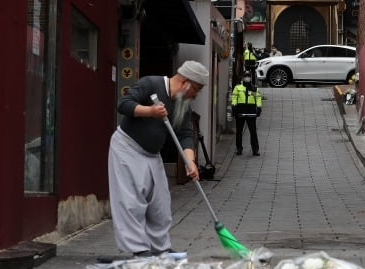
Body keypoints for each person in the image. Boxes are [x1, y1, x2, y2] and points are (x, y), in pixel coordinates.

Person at [108, 60, 209, 257]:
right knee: (131, 201)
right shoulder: (151, 84)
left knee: (160, 203)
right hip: (127, 147)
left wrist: (190, 161)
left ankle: (160, 247)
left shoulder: (183, 104)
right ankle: (138, 248)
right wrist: (150, 111)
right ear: (185, 82)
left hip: (152, 154)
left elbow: (186, 134)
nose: (195, 94)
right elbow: (124, 104)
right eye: (196, 88)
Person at [231, 70, 262, 156]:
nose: (247, 77)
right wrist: (234, 107)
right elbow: (234, 97)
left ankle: (255, 150)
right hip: (240, 110)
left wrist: (259, 107)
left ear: (251, 77)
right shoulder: (238, 88)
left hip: (251, 111)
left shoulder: (254, 88)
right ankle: (239, 149)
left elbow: (258, 98)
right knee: (239, 132)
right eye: (245, 76)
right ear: (243, 77)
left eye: (248, 76)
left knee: (253, 132)